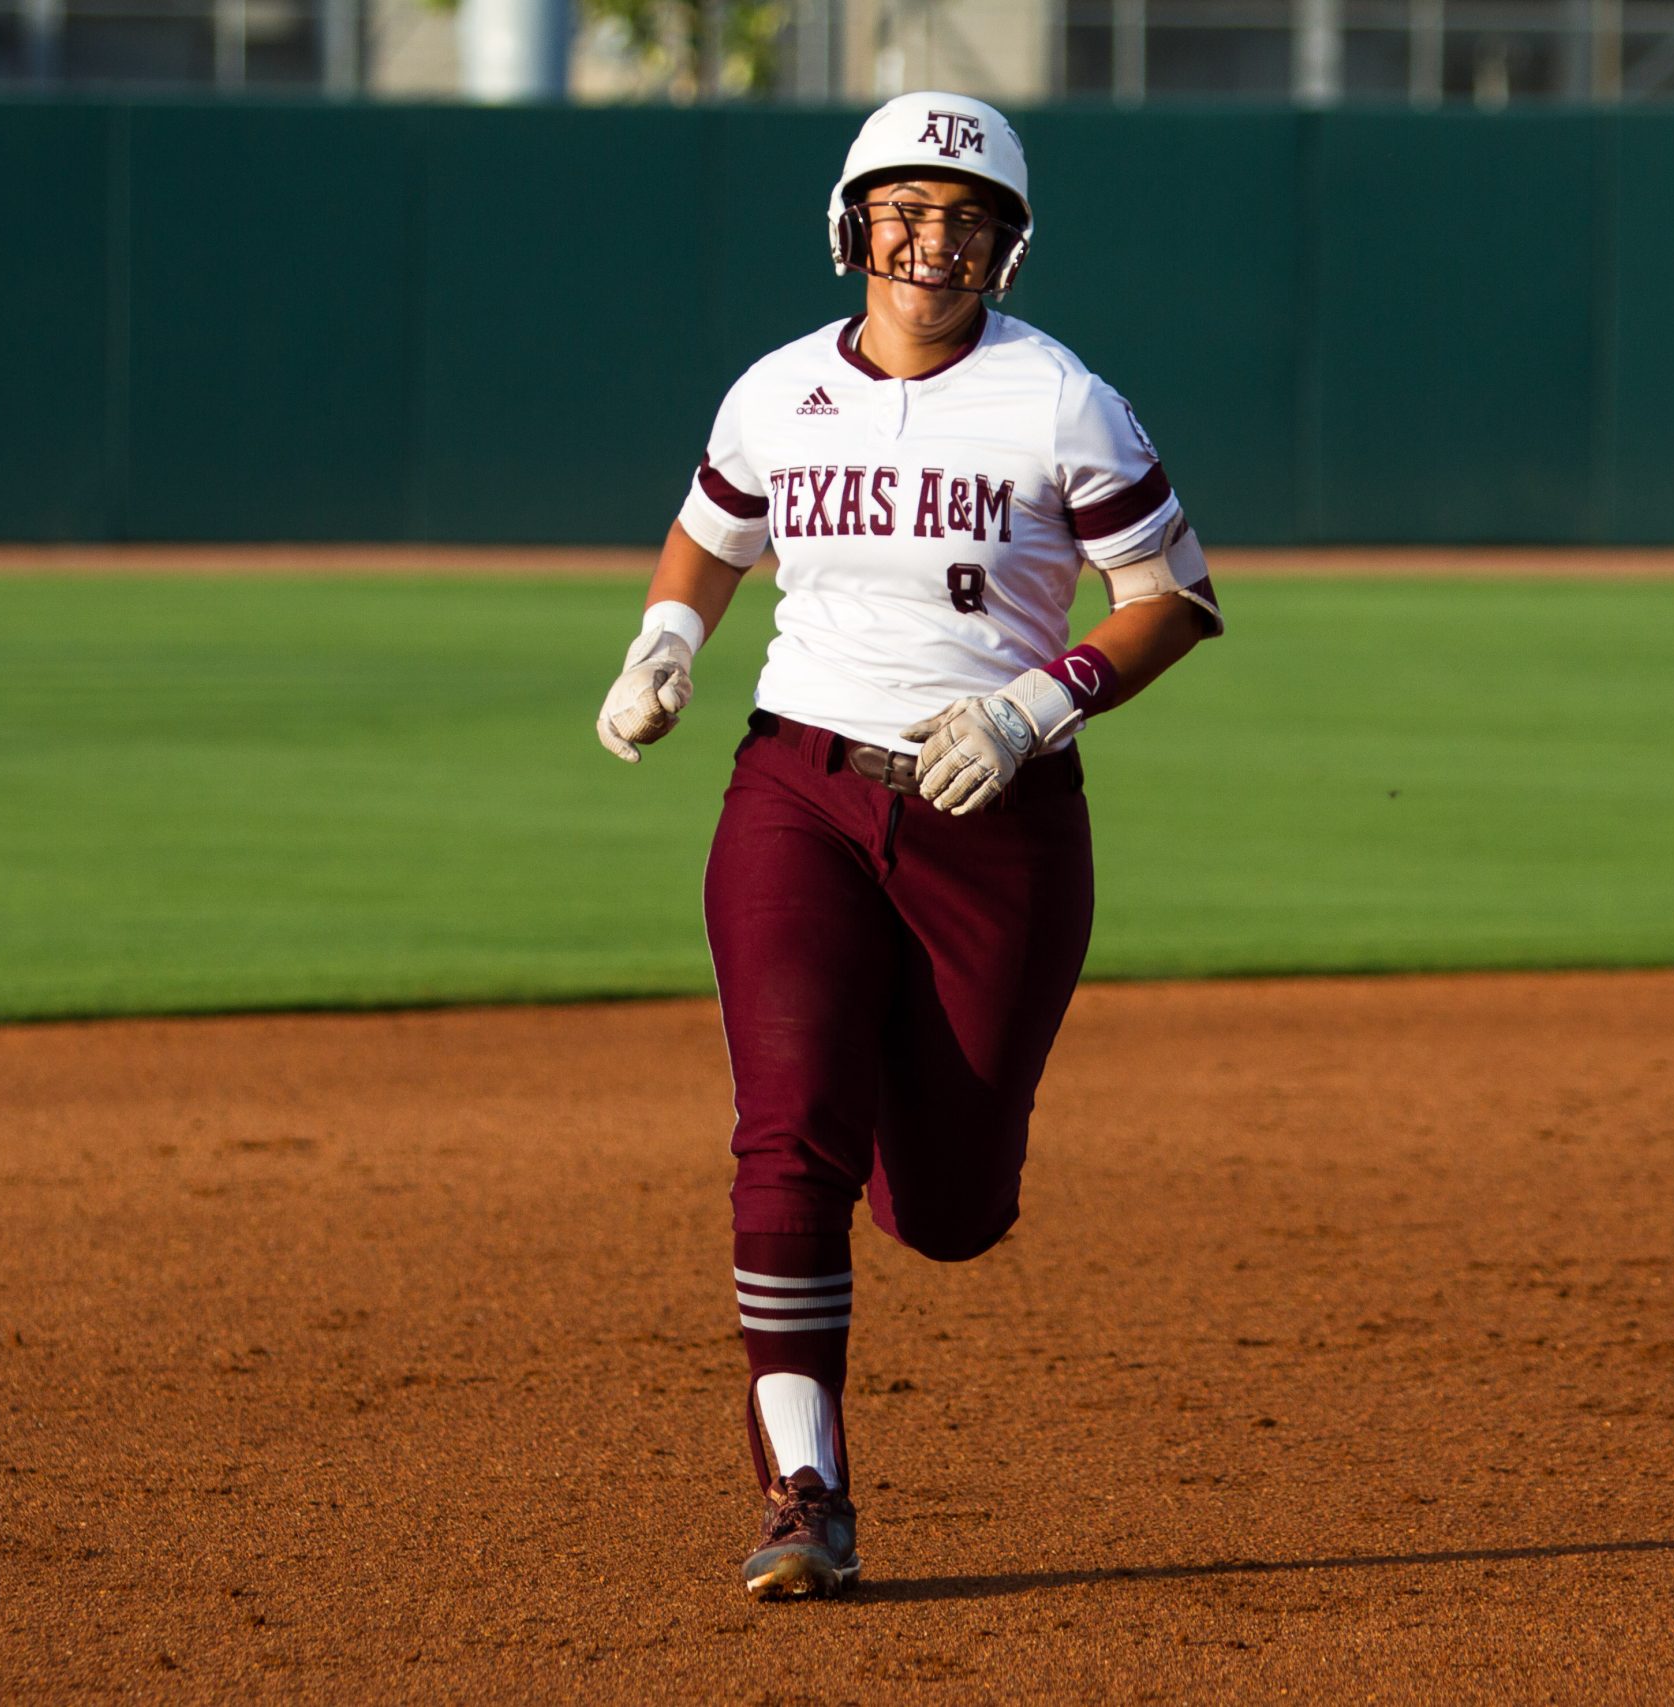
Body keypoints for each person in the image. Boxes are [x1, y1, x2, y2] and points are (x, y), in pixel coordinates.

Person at [593, 91, 1222, 1598]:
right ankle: (804, 1491)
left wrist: (1038, 702)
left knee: (949, 1207)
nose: (929, 239)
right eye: (903, 208)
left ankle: (878, 1112)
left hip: (990, 817)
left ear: (1008, 246)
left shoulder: (1064, 400)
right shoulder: (774, 390)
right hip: (796, 786)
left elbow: (1174, 598)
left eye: (964, 216)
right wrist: (667, 638)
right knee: (783, 1132)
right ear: (850, 223)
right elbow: (714, 525)